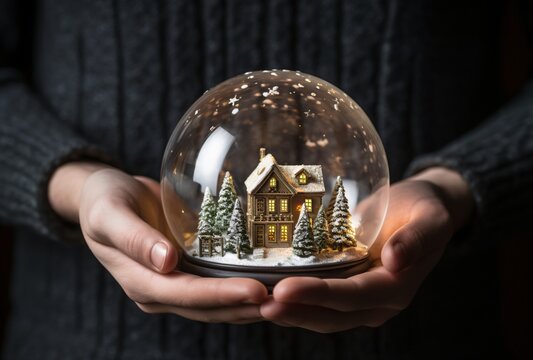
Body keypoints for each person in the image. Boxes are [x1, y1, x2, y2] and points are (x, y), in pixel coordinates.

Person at [1, 0, 531, 358]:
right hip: (80, 339)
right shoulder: (258, 191)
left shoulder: (296, 191)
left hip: (430, 335)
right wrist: (77, 184)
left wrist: (455, 187)